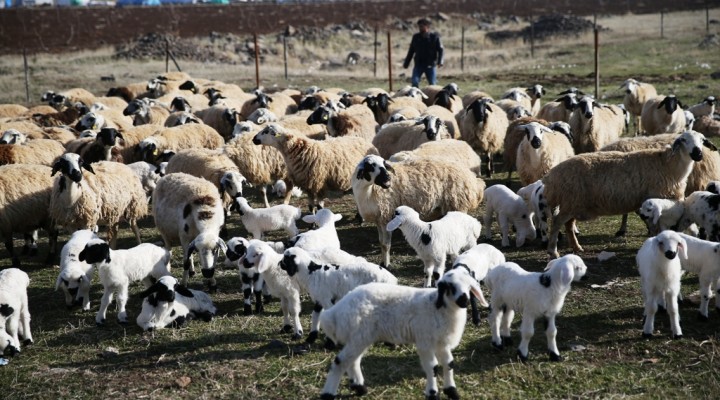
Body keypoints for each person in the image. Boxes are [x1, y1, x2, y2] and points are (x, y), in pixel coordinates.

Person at [403, 18, 444, 88]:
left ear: (427, 26)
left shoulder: (434, 37)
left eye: (421, 26)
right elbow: (411, 51)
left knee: (433, 84)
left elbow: (441, 50)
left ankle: (432, 97)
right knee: (414, 82)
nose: (420, 28)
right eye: (419, 26)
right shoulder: (416, 37)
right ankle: (416, 97)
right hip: (419, 64)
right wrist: (406, 63)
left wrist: (440, 61)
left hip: (430, 64)